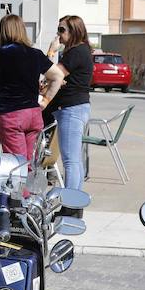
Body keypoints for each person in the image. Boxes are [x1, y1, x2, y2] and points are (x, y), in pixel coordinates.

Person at [0, 14, 66, 161]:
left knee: (17, 165)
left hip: (12, 115)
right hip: (33, 114)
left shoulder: (4, 53)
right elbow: (58, 76)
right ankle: (28, 185)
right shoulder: (35, 53)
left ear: (3, 32)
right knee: (29, 164)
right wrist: (46, 100)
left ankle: (20, 185)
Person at [45, 14, 94, 197]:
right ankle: (75, 200)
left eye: (62, 30)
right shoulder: (79, 51)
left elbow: (52, 74)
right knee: (74, 160)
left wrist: (51, 51)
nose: (58, 34)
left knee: (70, 161)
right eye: (58, 29)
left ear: (74, 31)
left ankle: (71, 203)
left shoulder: (76, 52)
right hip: (76, 108)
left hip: (72, 109)